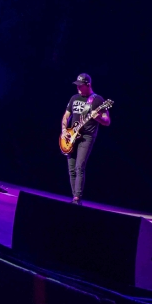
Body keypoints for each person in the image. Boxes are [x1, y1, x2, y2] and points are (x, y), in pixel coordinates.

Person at [60, 73, 110, 205]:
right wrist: (64, 130)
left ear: (88, 85)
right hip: (72, 135)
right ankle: (74, 198)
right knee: (71, 168)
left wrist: (97, 117)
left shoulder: (98, 100)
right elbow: (66, 116)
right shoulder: (74, 98)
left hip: (87, 137)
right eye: (77, 85)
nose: (78, 88)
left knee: (79, 166)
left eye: (80, 86)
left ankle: (77, 198)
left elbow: (107, 121)